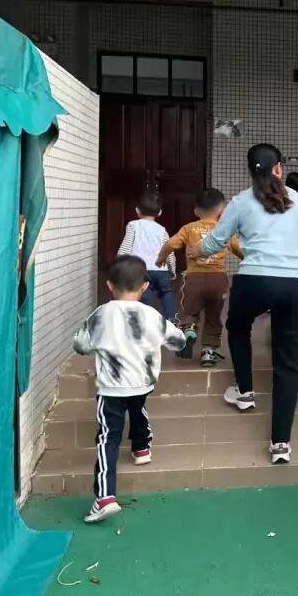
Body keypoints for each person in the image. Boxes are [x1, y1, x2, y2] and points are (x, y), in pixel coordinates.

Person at [188, 143, 298, 465]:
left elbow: (216, 240)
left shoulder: (241, 201)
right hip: (297, 285)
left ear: (249, 170)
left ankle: (244, 391)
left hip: (254, 281)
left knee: (238, 324)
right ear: (279, 168)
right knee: (287, 362)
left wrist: (196, 250)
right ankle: (281, 444)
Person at [72, 256, 187, 523]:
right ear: (145, 286)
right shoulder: (152, 315)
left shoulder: (101, 314)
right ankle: (142, 448)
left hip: (112, 387)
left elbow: (80, 345)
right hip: (143, 382)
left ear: (109, 285)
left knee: (107, 438)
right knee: (138, 408)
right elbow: (178, 342)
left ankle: (104, 498)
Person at [155, 188, 243, 367]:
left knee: (189, 311)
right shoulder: (225, 230)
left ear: (196, 210)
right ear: (222, 210)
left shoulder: (189, 228)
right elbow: (240, 249)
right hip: (218, 280)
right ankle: (208, 352)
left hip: (194, 279)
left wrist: (161, 258)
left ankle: (189, 328)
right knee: (213, 316)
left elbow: (170, 244)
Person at [116, 191, 175, 321]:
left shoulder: (133, 225)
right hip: (160, 270)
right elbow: (169, 251)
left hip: (140, 269)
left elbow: (126, 247)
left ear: (137, 210)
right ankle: (171, 318)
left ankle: (146, 321)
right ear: (160, 212)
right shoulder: (162, 230)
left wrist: (119, 265)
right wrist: (172, 269)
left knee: (144, 294)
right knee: (166, 292)